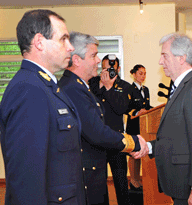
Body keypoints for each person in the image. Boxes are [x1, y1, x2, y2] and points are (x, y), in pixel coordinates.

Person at [0, 10, 86, 204]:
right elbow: (27, 178)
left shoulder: (46, 85)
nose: (71, 47)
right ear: (39, 42)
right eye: (63, 39)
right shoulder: (29, 90)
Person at [58, 32, 148, 204]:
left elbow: (120, 109)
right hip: (87, 169)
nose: (98, 61)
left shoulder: (78, 86)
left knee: (121, 185)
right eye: (93, 55)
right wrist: (134, 142)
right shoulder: (74, 88)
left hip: (100, 156)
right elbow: (96, 131)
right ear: (76, 60)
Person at [133, 33, 192, 205]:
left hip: (188, 187)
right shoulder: (182, 86)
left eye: (164, 55)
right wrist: (148, 147)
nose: (160, 62)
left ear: (181, 58)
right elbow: (176, 137)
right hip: (179, 184)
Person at [89, 55, 134, 205]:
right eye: (104, 68)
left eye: (111, 69)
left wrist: (109, 88)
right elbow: (89, 106)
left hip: (116, 140)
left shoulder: (125, 86)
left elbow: (121, 109)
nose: (107, 72)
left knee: (121, 182)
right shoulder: (93, 82)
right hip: (97, 141)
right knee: (99, 184)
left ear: (118, 69)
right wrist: (101, 86)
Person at [126, 64, 152, 191]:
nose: (143, 76)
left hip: (144, 126)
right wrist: (137, 112)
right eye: (140, 73)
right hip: (133, 126)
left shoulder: (146, 89)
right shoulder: (129, 89)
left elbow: (147, 106)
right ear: (134, 74)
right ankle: (133, 180)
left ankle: (138, 179)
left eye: (144, 73)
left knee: (141, 153)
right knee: (133, 154)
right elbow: (126, 108)